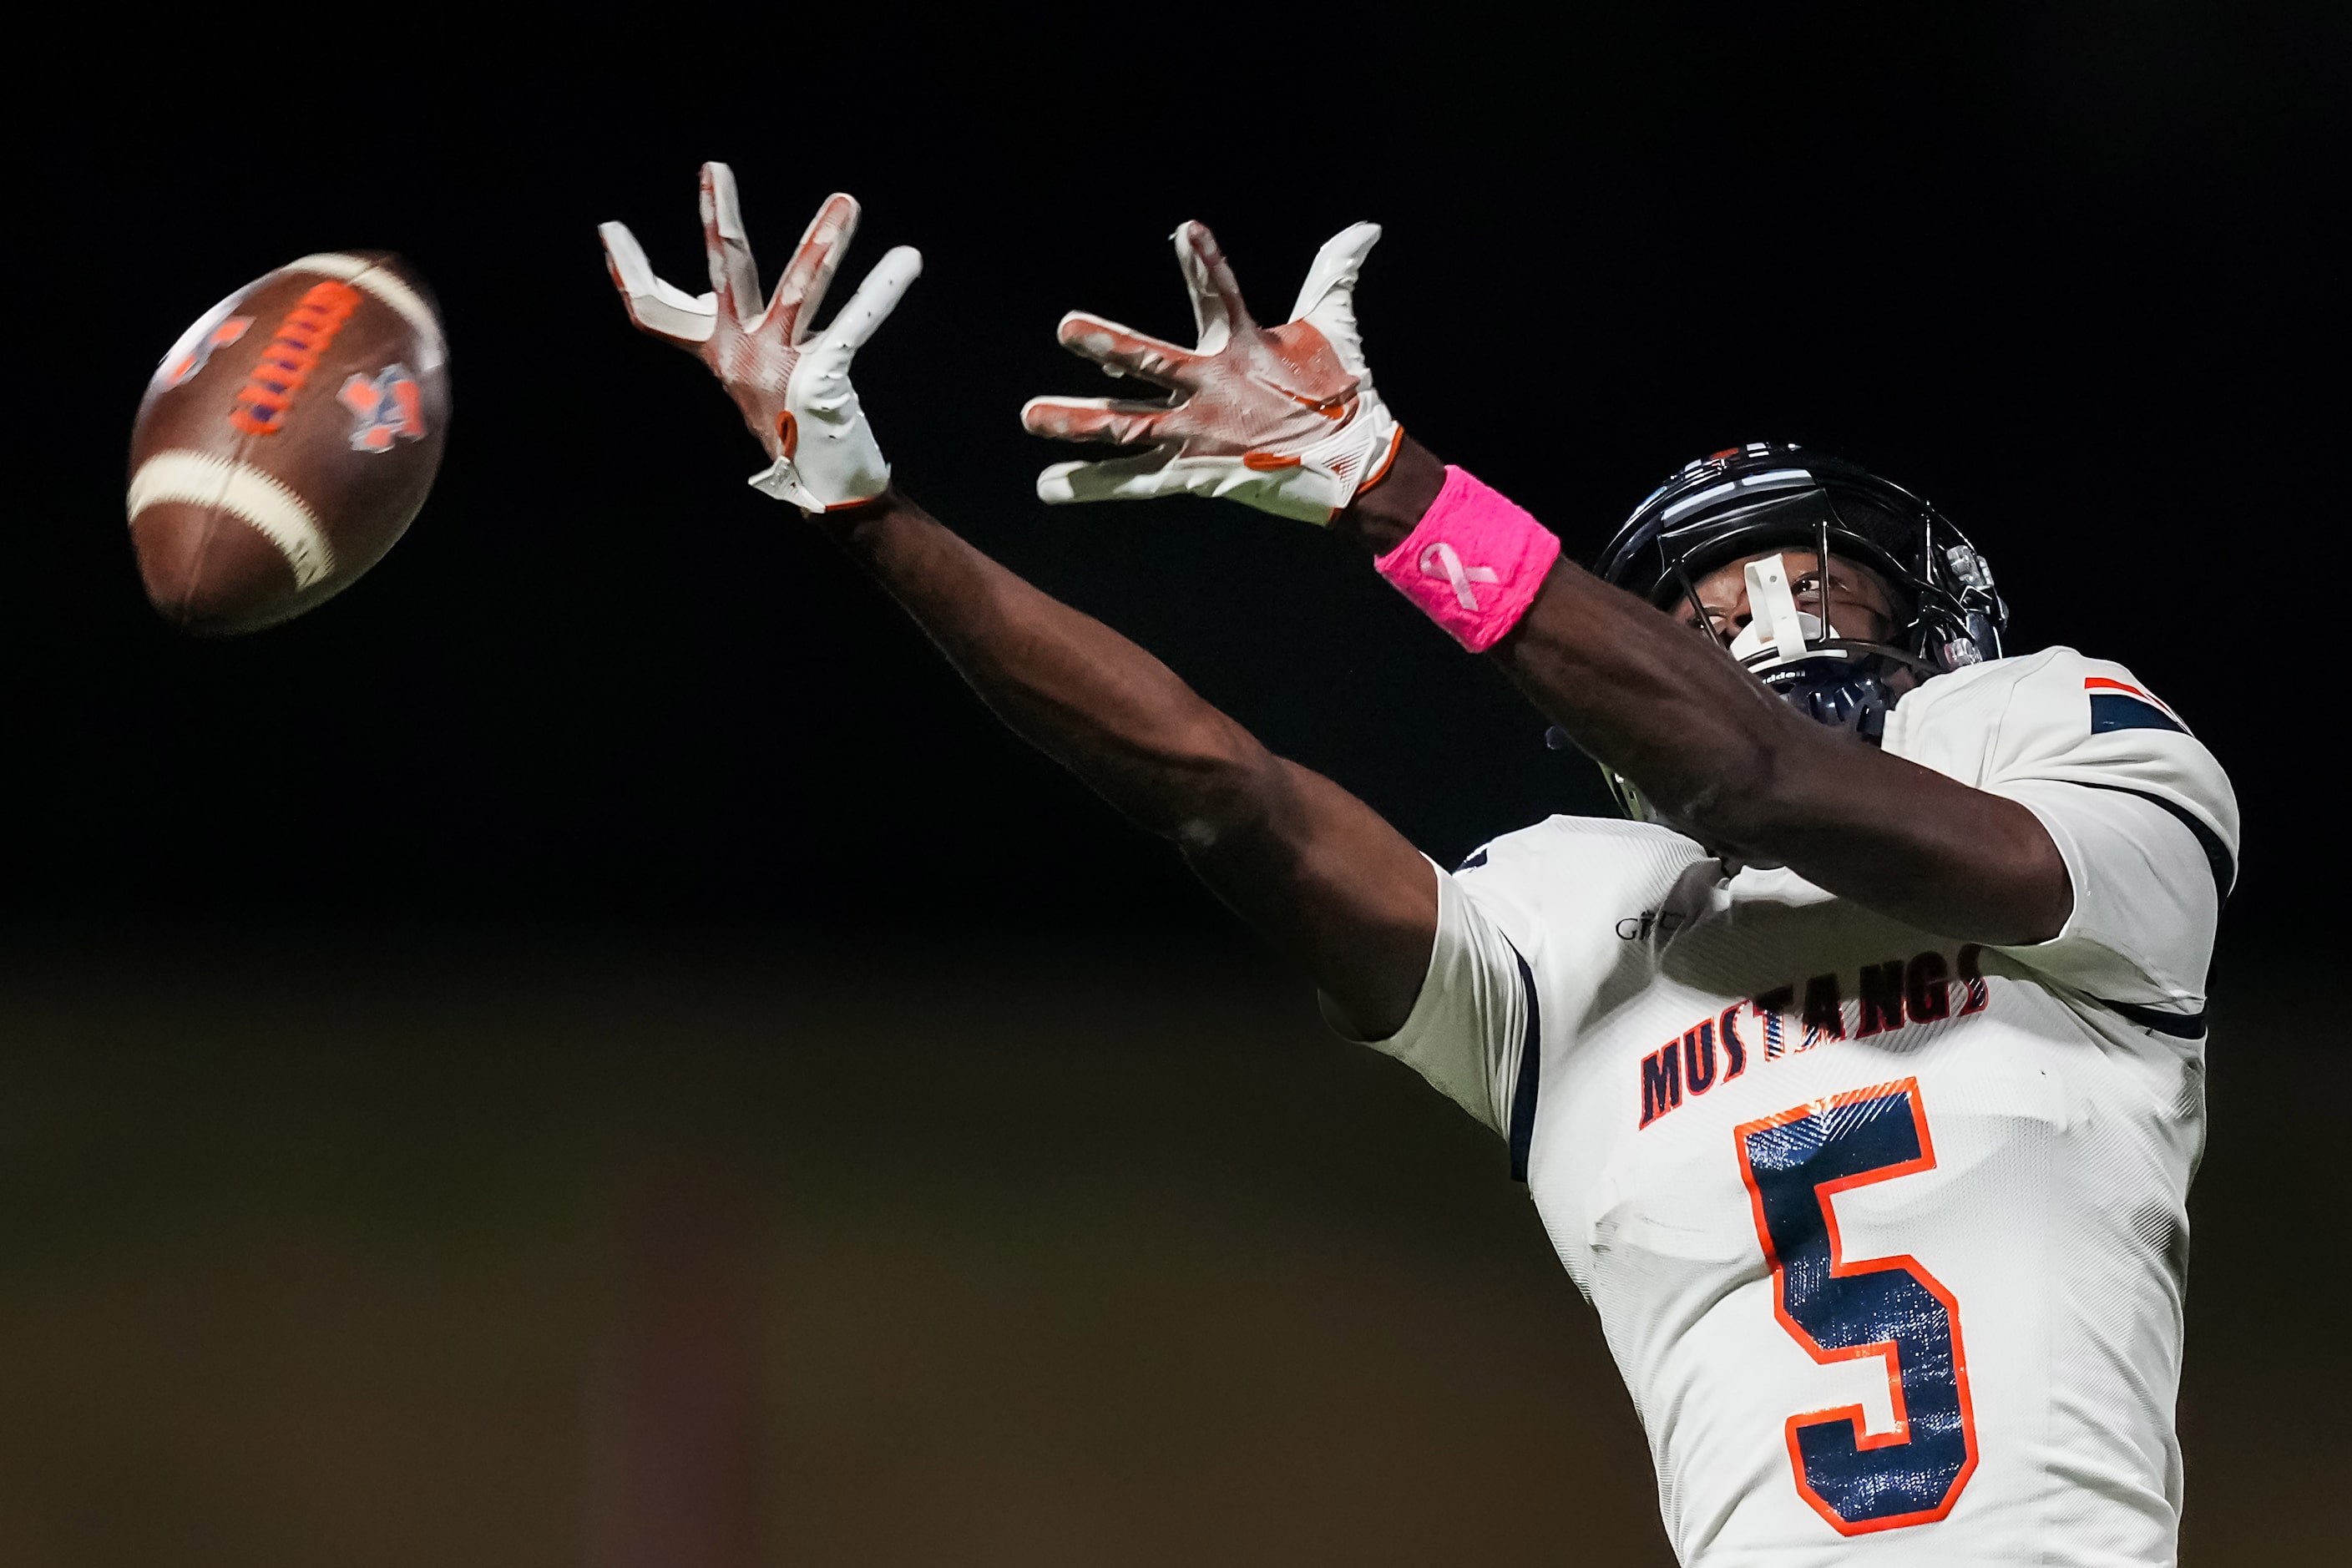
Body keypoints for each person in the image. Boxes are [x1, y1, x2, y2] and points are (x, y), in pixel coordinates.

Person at [599, 168, 2238, 1564]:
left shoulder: (2063, 750)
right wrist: (865, 512)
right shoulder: (1570, 917)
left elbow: (1750, 773)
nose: (1766, 633)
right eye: (1705, 615)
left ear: (1937, 617)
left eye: (1819, 592)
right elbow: (1224, 794)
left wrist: (1386, 489)